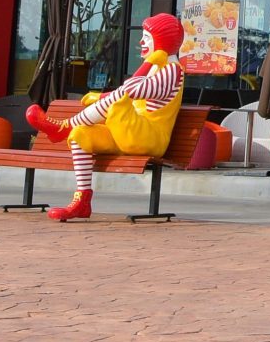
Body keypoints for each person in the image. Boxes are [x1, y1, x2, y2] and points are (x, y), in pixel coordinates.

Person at [24, 13, 186, 221]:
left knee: (118, 102)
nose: (141, 41)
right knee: (81, 134)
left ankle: (63, 127)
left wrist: (149, 63)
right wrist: (103, 96)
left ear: (162, 41)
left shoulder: (172, 70)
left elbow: (132, 91)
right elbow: (129, 90)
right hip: (129, 132)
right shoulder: (159, 67)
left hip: (148, 137)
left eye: (147, 37)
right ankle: (82, 200)